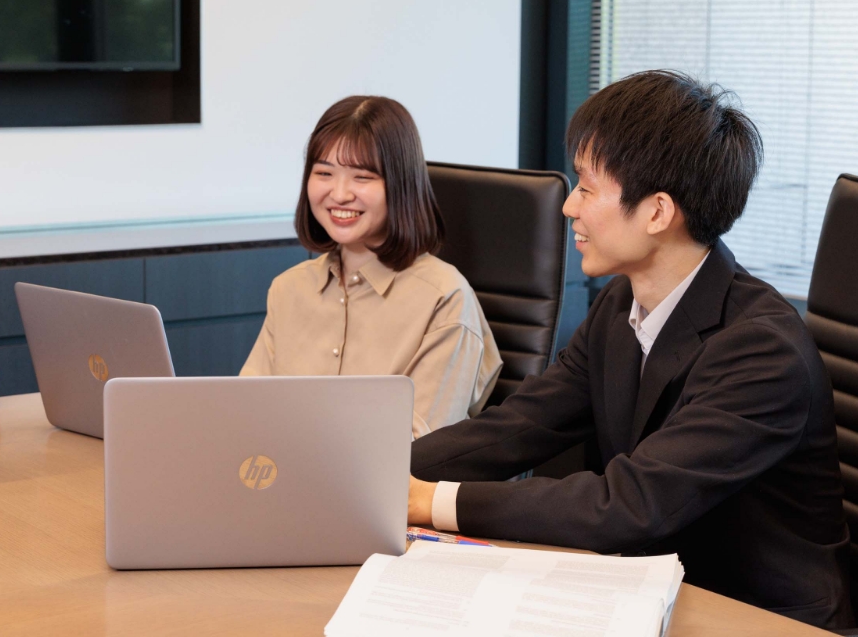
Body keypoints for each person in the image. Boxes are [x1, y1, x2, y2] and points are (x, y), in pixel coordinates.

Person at [407, 70, 851, 628]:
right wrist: (375, 474)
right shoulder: (621, 305)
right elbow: (520, 426)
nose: (569, 207)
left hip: (757, 615)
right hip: (651, 591)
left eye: (587, 188)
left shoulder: (762, 349)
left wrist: (429, 502)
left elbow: (631, 504)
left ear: (658, 212)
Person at [240, 96, 502, 437]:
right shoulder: (289, 289)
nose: (340, 193)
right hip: (284, 479)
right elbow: (246, 410)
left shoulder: (445, 298)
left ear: (400, 185)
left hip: (386, 487)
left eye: (362, 177)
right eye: (324, 173)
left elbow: (420, 446)